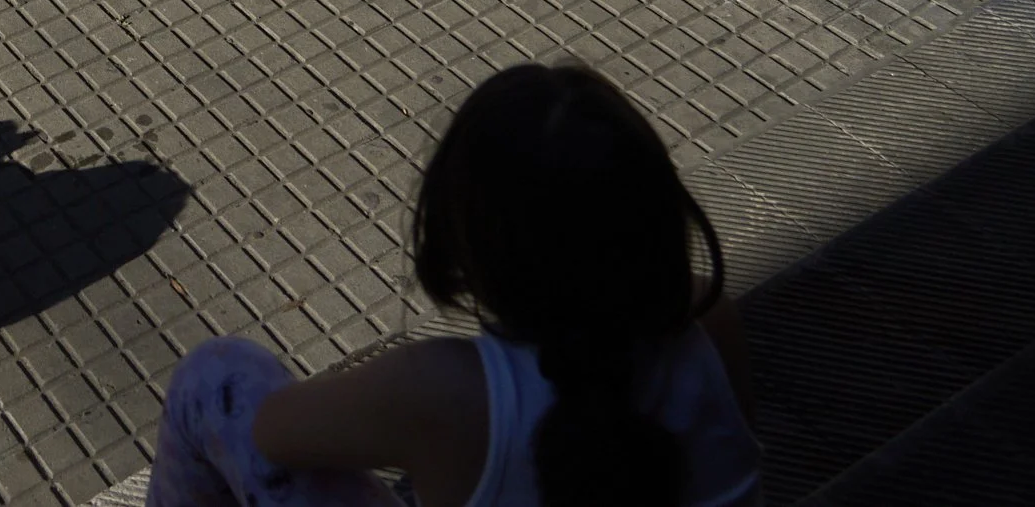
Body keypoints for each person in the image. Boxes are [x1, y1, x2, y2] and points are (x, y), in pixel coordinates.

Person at [145, 63, 760, 507]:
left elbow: (271, 434)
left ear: (467, 248)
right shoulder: (706, 319)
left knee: (214, 379)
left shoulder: (443, 391)